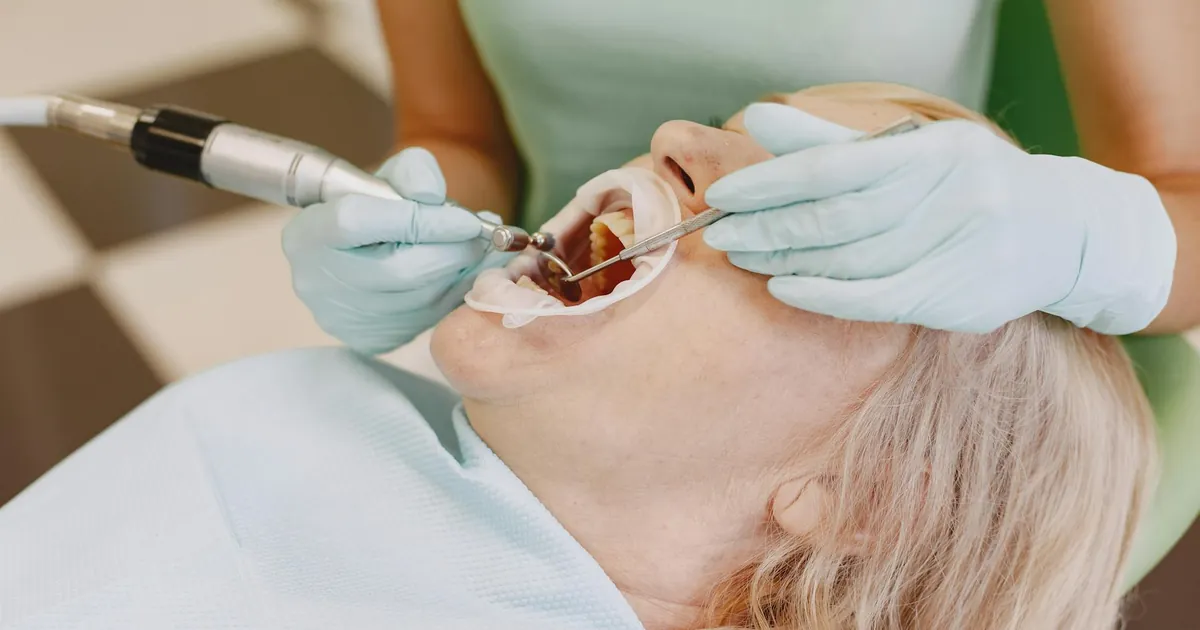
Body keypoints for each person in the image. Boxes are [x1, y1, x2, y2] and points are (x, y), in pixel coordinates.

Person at [0, 86, 1158, 629]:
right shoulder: (312, 412)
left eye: (802, 220)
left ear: (870, 494)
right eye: (728, 127)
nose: (674, 137)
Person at [282, 0, 1195, 355]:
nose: (672, 142)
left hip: (884, 356)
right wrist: (410, 215)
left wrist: (1081, 238)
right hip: (558, 327)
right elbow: (454, 131)